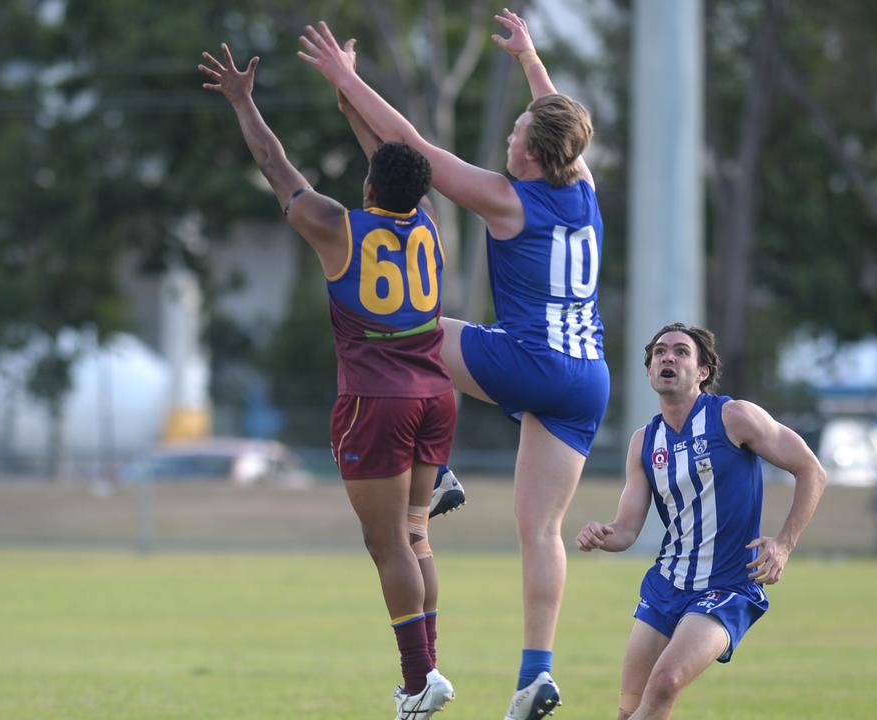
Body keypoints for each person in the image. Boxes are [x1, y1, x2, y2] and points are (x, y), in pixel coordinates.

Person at [298, 11, 607, 717]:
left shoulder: (508, 201)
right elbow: (561, 122)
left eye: (516, 134)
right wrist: (531, 61)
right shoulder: (581, 185)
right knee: (541, 532)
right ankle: (536, 674)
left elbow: (411, 148)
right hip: (589, 379)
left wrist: (347, 78)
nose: (509, 138)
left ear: (531, 156)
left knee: (406, 327)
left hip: (532, 360)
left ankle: (433, 474)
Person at [199, 43, 457, 719]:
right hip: (436, 396)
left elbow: (274, 166)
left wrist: (243, 101)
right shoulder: (431, 228)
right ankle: (427, 674)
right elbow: (396, 159)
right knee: (417, 535)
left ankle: (417, 679)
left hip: (377, 400)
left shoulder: (339, 227)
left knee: (387, 545)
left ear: (371, 188)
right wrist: (352, 90)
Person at [575, 323, 827, 720]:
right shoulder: (644, 441)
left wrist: (784, 543)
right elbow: (626, 529)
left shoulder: (734, 417)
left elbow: (812, 470)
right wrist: (602, 535)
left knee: (665, 684)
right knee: (629, 710)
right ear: (649, 370)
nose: (667, 358)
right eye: (659, 352)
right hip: (666, 585)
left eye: (680, 351)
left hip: (727, 586)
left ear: (703, 371)